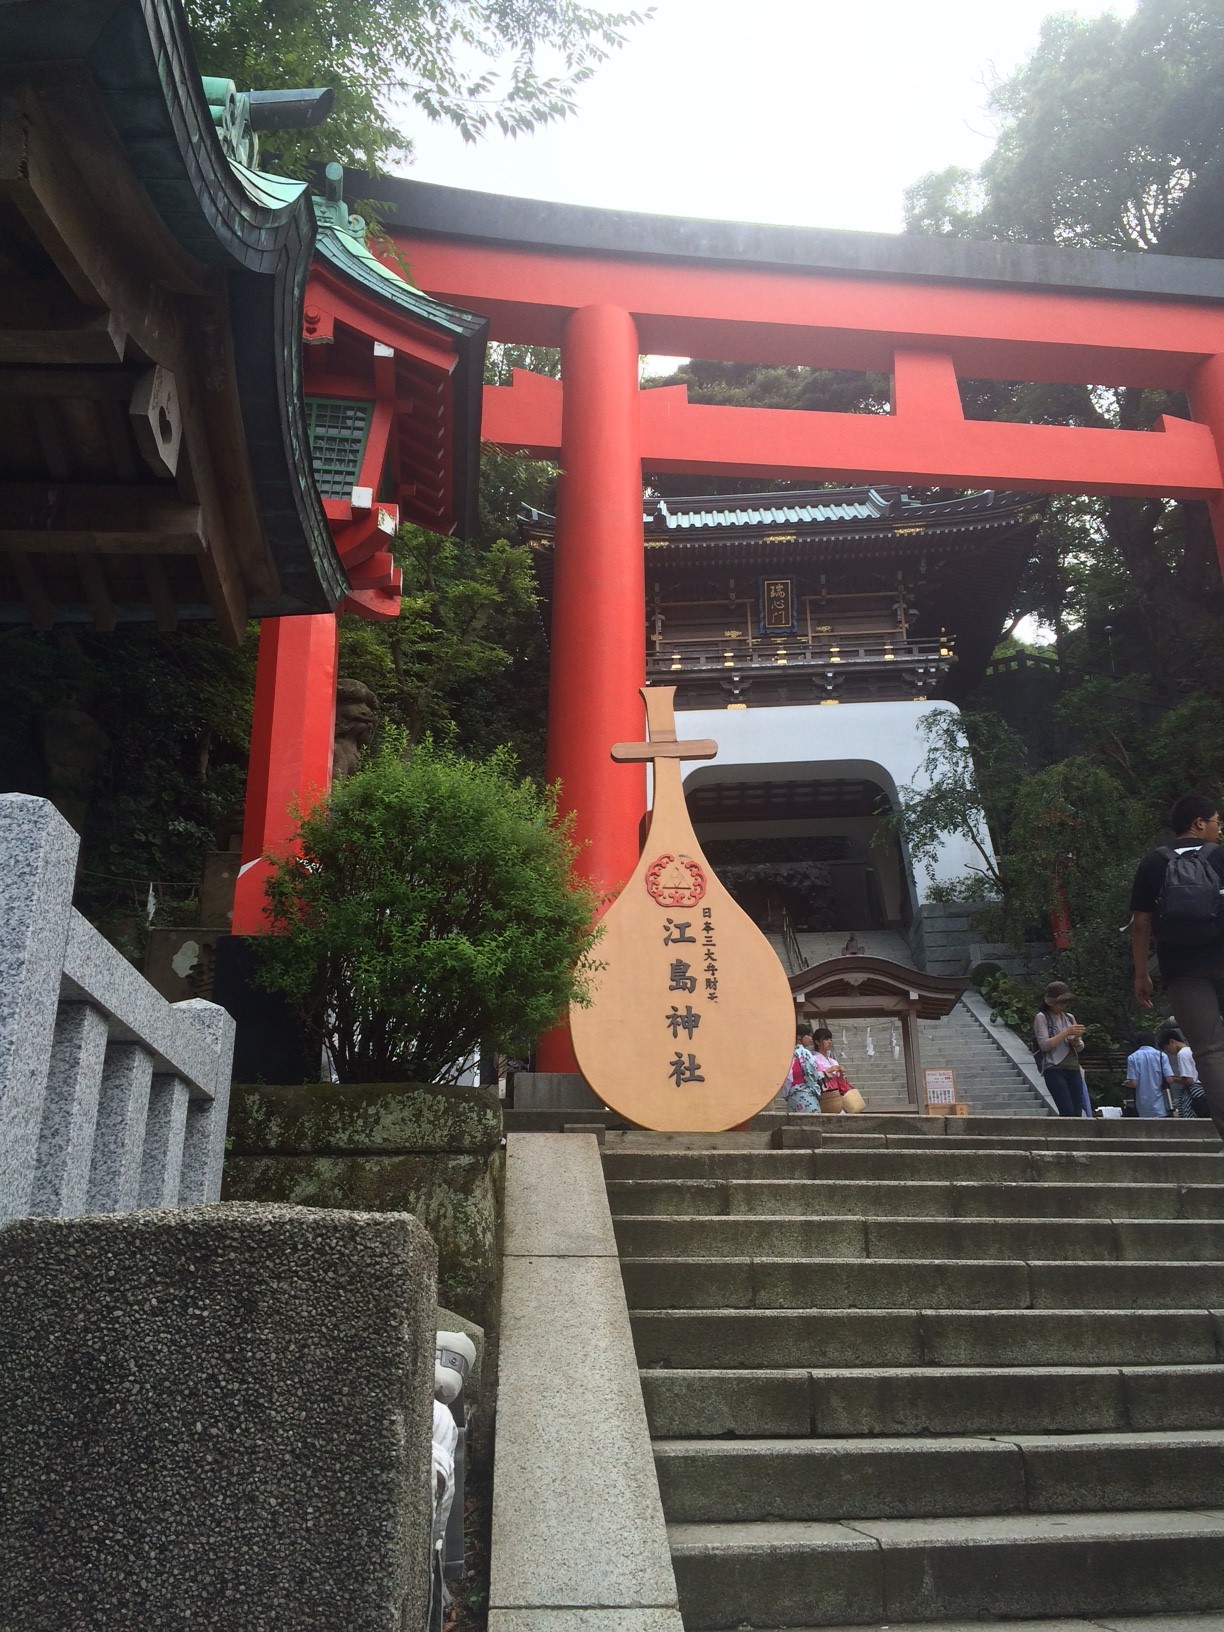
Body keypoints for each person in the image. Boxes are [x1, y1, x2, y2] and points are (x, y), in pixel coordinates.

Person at [1130, 793, 1224, 1139]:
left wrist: (1142, 974)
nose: (1218, 829)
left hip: (1181, 966)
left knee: (1210, 1051)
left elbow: (1141, 923)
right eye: (1217, 822)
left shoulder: (1153, 862)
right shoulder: (1220, 857)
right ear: (1199, 823)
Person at [1033, 981, 1086, 1117]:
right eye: (1060, 1002)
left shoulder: (1069, 1017)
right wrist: (1066, 1033)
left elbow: (1080, 1047)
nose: (1063, 1006)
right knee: (1066, 1109)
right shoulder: (1042, 1017)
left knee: (1077, 1110)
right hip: (1054, 1067)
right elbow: (1044, 1044)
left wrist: (1075, 1041)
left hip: (1073, 1067)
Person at [1159, 1026, 1209, 1120]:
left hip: (1195, 1092)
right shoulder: (1190, 1050)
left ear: (1171, 1042)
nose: (1168, 1051)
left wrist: (1174, 1079)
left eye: (1167, 1048)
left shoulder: (1182, 1054)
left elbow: (1189, 1080)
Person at [1125, 1029, 1171, 1119]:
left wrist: (1127, 1083)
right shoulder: (1162, 1056)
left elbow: (1133, 1083)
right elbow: (1169, 1079)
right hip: (1161, 1103)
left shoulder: (1132, 1057)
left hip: (1142, 1104)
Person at [781, 1026, 823, 1114]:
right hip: (805, 1092)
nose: (811, 1039)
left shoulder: (786, 1053)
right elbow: (812, 1073)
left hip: (792, 1093)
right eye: (808, 1035)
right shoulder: (804, 1053)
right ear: (799, 1037)